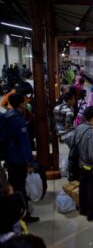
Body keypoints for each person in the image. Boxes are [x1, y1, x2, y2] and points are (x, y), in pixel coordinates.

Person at [4, 94, 39, 224]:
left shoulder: (8, 115)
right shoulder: (18, 120)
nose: (27, 102)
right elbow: (24, 144)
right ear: (20, 104)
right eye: (25, 101)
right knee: (20, 188)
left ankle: (17, 212)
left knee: (14, 186)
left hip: (10, 158)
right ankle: (23, 215)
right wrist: (30, 162)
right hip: (18, 159)